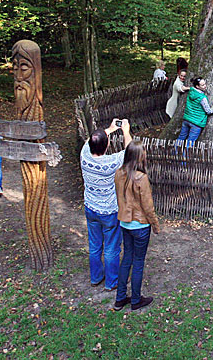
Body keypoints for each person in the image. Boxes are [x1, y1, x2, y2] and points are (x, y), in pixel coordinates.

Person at [81, 118, 132, 291]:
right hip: (109, 211)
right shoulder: (111, 162)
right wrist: (125, 131)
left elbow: (90, 140)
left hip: (90, 208)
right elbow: (131, 151)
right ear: (107, 145)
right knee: (111, 247)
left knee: (95, 245)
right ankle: (112, 282)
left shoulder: (84, 155)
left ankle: (96, 277)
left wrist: (108, 130)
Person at [113, 140, 160, 311]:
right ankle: (135, 300)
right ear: (140, 157)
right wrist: (155, 225)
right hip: (140, 225)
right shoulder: (141, 178)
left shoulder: (119, 173)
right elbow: (148, 207)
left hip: (125, 224)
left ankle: (120, 299)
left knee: (126, 259)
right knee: (138, 262)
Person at [177, 77, 213, 143]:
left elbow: (189, 88)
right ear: (197, 86)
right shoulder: (202, 98)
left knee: (181, 138)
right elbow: (208, 111)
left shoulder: (191, 91)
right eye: (203, 85)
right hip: (196, 122)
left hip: (187, 119)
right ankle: (185, 153)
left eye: (205, 84)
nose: (205, 86)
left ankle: (174, 152)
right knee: (190, 142)